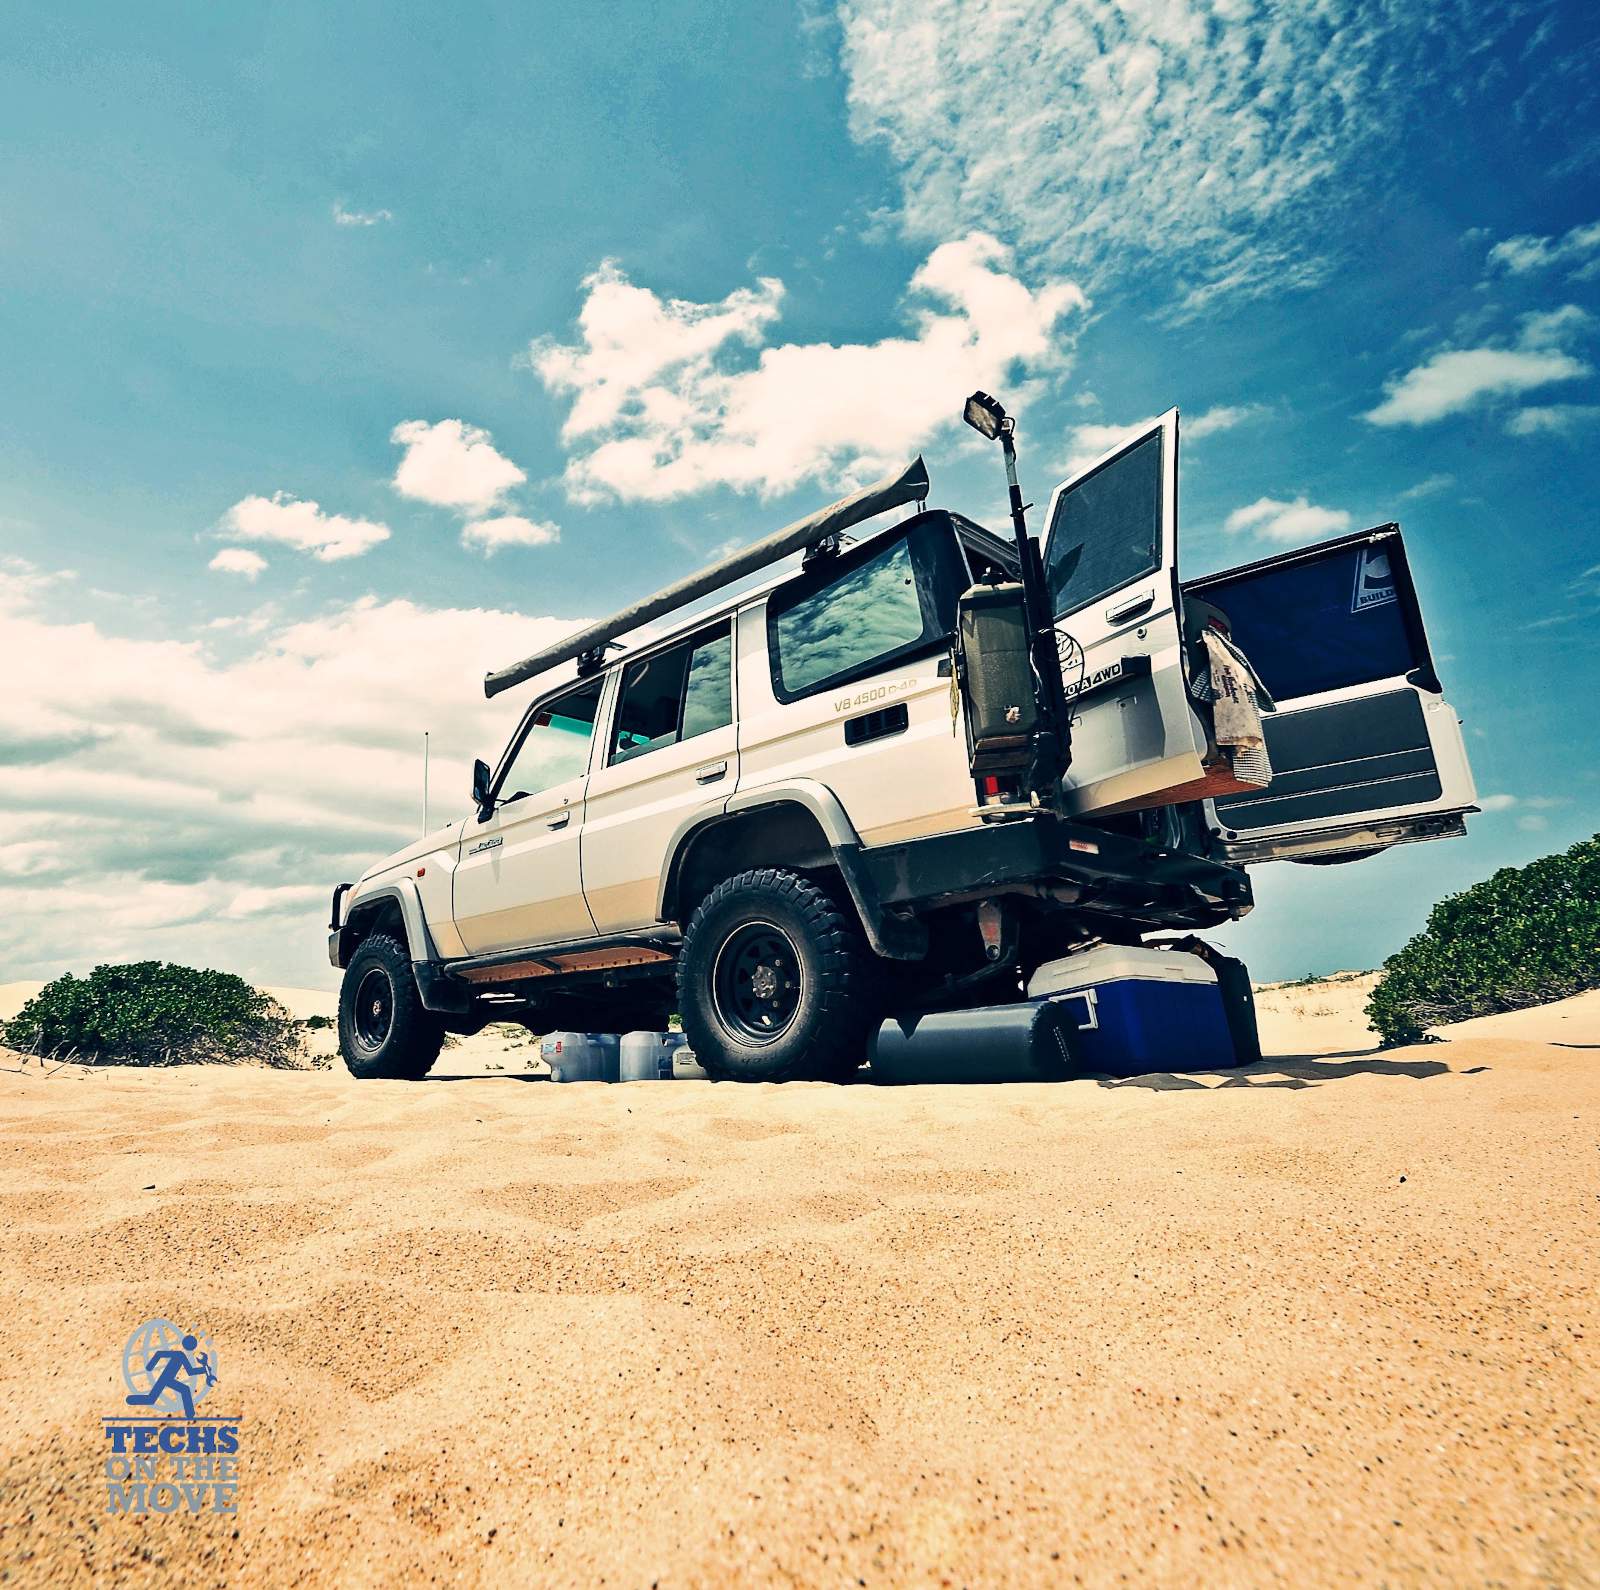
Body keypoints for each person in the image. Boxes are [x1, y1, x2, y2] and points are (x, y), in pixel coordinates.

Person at [125, 1333, 209, 1418]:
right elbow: (190, 1371)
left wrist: (204, 1369)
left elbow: (190, 1371)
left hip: (167, 1378)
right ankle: (190, 1413)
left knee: (152, 1398)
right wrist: (150, 1366)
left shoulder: (181, 1355)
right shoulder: (180, 1355)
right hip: (166, 1378)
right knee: (182, 1390)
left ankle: (190, 1413)